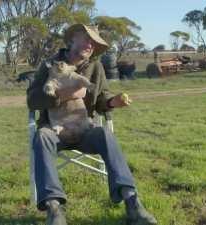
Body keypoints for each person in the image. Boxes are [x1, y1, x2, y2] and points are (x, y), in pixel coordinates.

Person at [26, 24, 157, 225]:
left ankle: (132, 202)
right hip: (55, 129)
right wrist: (64, 96)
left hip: (84, 129)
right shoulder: (50, 64)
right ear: (72, 40)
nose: (91, 45)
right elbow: (32, 100)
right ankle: (54, 209)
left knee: (105, 134)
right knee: (41, 136)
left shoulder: (96, 67)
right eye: (87, 39)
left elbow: (102, 98)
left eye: (94, 43)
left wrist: (114, 102)